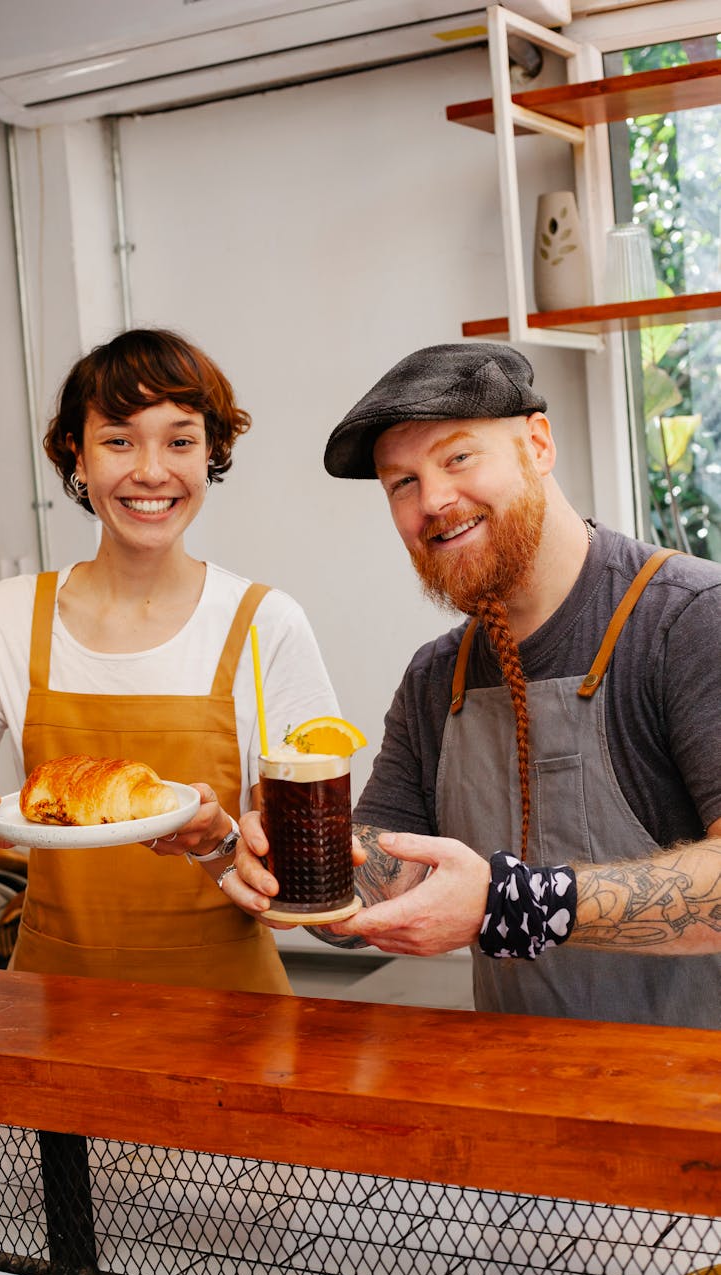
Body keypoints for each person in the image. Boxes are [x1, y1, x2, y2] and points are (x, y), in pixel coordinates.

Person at [226, 341, 721, 1027]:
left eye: (458, 457)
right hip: (517, 1100)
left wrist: (511, 902)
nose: (432, 499)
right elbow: (366, 899)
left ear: (537, 444)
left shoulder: (689, 620)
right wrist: (262, 856)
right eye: (400, 483)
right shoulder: (438, 678)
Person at [0, 327, 339, 994]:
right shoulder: (6, 617)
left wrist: (216, 838)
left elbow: (292, 893)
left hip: (229, 1009)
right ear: (77, 456)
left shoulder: (265, 623)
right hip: (49, 1003)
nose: (150, 471)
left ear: (211, 454)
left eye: (179, 441)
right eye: (119, 440)